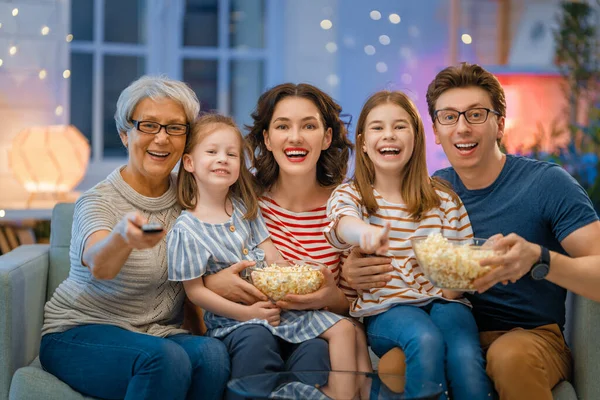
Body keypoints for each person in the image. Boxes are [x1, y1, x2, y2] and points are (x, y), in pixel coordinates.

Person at [343, 62, 600, 400]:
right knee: (393, 366)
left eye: (476, 115)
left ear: (500, 125)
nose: (462, 128)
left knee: (508, 358)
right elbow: (389, 254)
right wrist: (354, 271)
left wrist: (540, 259)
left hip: (530, 336)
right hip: (448, 326)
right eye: (449, 117)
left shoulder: (548, 184)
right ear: (435, 130)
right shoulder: (429, 192)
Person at [39, 76, 230, 400]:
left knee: (212, 355)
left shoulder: (189, 196)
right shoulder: (99, 200)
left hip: (158, 334)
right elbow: (99, 263)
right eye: (149, 126)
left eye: (174, 127)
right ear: (125, 134)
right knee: (162, 359)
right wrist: (122, 238)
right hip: (79, 332)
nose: (161, 139)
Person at [168, 113, 369, 400]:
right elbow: (195, 292)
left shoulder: (246, 209)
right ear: (189, 163)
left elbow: (274, 256)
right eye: (212, 152)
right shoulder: (186, 229)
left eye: (231, 154)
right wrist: (248, 313)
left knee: (340, 332)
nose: (222, 159)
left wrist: (299, 277)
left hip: (278, 309)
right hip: (234, 321)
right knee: (257, 338)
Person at [324, 90, 493, 400]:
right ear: (362, 142)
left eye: (400, 126)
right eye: (377, 127)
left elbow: (461, 267)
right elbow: (342, 225)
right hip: (388, 309)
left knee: (464, 354)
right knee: (424, 337)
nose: (389, 135)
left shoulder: (443, 199)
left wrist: (458, 281)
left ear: (416, 137)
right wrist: (365, 234)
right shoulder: (352, 196)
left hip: (445, 302)